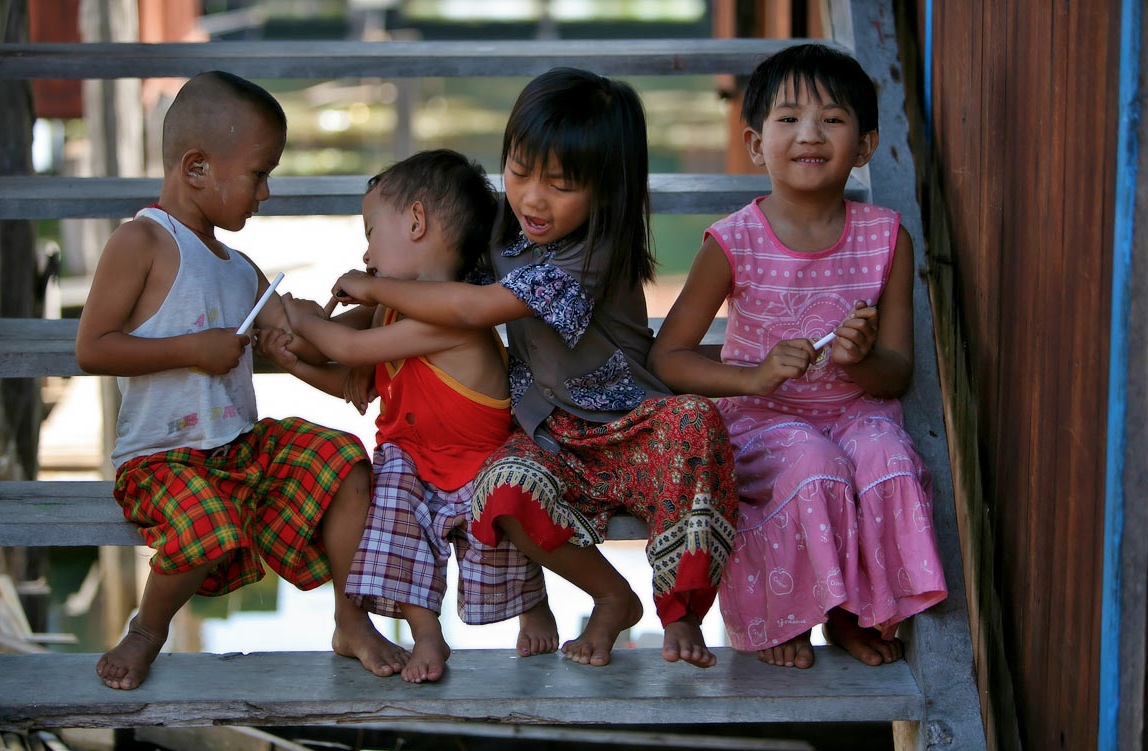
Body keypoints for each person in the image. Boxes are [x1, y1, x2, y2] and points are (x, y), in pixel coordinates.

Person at [327, 67, 738, 669]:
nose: (532, 199)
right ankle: (610, 596)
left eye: (562, 184)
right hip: (548, 436)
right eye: (519, 172)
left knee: (696, 424)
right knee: (501, 485)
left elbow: (471, 307)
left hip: (631, 430)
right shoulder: (503, 229)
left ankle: (682, 615)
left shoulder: (588, 255)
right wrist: (364, 333)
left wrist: (371, 285)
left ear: (606, 189)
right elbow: (437, 281)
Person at [75, 71, 409, 690]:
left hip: (238, 447)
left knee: (342, 458)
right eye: (258, 174)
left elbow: (299, 322)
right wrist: (192, 349)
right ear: (196, 167)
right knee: (207, 528)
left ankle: (348, 616)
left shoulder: (240, 268)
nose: (266, 192)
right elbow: (92, 348)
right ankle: (148, 628)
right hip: (162, 456)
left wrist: (373, 313)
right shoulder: (141, 240)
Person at [648, 43, 948, 670]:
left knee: (886, 456)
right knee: (814, 463)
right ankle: (782, 616)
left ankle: (851, 613)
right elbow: (669, 358)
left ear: (865, 146)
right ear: (756, 143)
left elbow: (897, 371)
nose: (809, 135)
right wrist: (753, 377)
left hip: (856, 412)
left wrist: (859, 360)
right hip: (764, 422)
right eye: (788, 119)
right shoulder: (734, 242)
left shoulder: (887, 237)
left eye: (832, 120)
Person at [259, 149, 558, 683]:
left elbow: (347, 349)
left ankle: (532, 602)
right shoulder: (392, 311)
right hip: (412, 457)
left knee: (501, 528)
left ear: (416, 222)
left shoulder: (456, 313)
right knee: (395, 513)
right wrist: (294, 362)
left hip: (477, 459)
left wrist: (300, 316)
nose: (366, 250)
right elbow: (353, 378)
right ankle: (427, 635)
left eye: (372, 232)